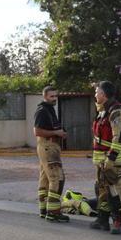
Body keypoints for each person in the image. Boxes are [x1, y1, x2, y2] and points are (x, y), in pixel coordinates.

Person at [90, 81, 121, 234]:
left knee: (114, 190)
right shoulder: (103, 111)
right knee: (101, 189)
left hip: (114, 159)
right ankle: (102, 220)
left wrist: (111, 158)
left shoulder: (117, 111)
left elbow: (119, 137)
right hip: (102, 159)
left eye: (97, 92)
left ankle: (118, 222)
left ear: (104, 94)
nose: (95, 94)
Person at [34, 86, 69, 223]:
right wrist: (56, 133)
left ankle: (44, 209)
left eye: (56, 96)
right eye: (51, 96)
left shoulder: (49, 109)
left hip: (49, 146)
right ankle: (53, 212)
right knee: (57, 178)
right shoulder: (42, 110)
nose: (54, 99)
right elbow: (37, 131)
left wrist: (60, 133)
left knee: (45, 178)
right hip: (48, 146)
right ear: (45, 97)